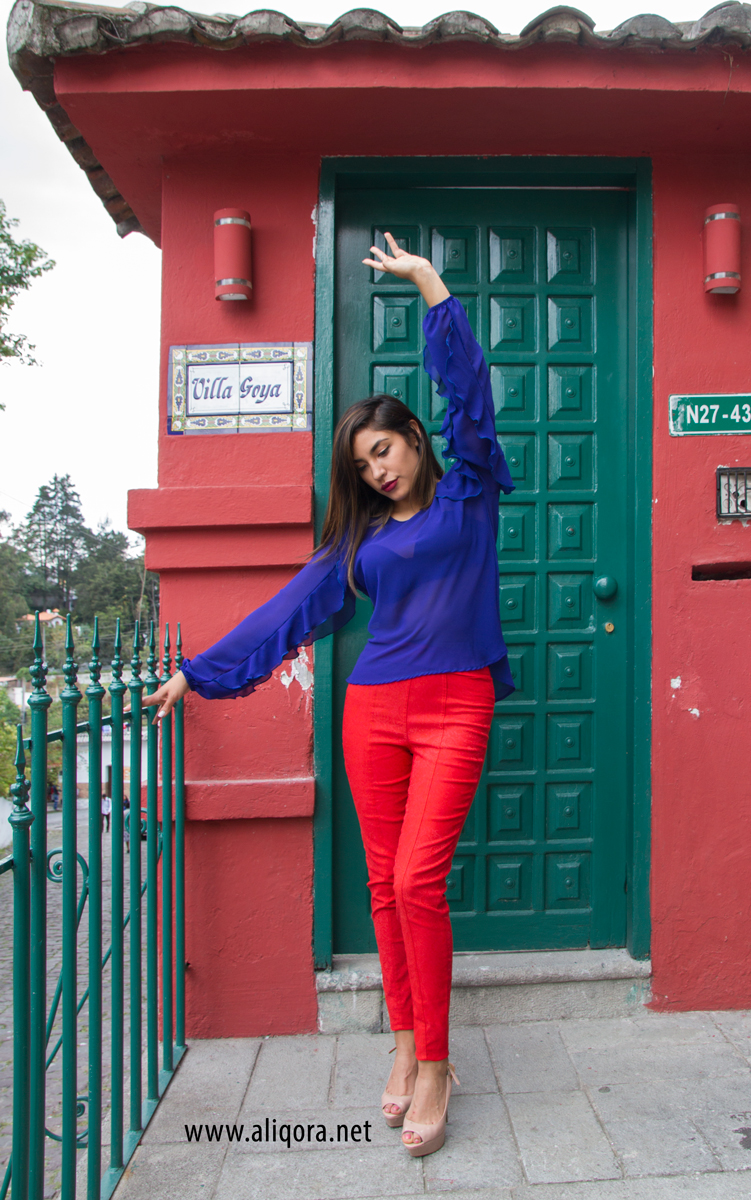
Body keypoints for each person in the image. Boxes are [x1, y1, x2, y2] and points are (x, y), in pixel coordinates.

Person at [142, 232, 515, 1157]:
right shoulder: (357, 543)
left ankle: (436, 1061)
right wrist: (200, 671)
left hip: (457, 703)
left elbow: (472, 399)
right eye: (363, 465)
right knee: (385, 887)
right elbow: (290, 609)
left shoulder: (472, 490)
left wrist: (432, 287)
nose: (377, 471)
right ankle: (403, 1048)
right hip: (375, 709)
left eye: (385, 451)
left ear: (417, 443)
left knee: (420, 879)